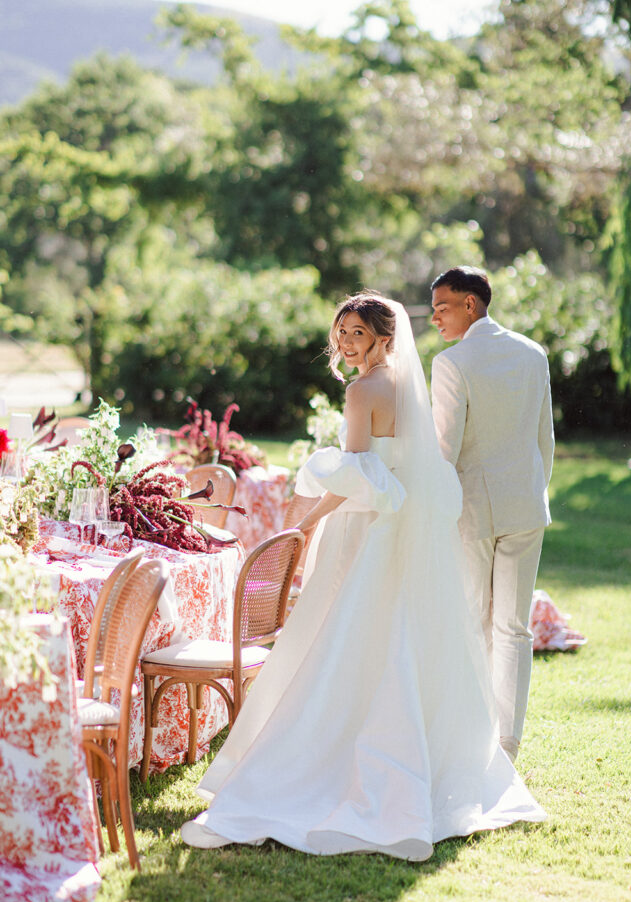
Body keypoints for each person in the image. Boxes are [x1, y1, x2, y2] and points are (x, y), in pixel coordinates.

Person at [181, 293, 546, 859]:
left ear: (382, 337)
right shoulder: (408, 386)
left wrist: (307, 521)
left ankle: (333, 762)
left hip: (370, 531)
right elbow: (405, 465)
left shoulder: (360, 391)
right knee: (401, 636)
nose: (346, 342)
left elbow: (356, 473)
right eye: (342, 332)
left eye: (357, 333)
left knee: (346, 639)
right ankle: (418, 766)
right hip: (406, 530)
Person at [430, 267, 554, 763]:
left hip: (472, 509)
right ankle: (508, 744)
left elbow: (445, 448)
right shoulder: (533, 353)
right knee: (514, 628)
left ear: (470, 305)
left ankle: (476, 733)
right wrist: (532, 488)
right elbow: (544, 437)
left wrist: (435, 505)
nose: (435, 315)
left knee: (474, 621)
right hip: (526, 501)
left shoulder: (451, 363)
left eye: (443, 305)